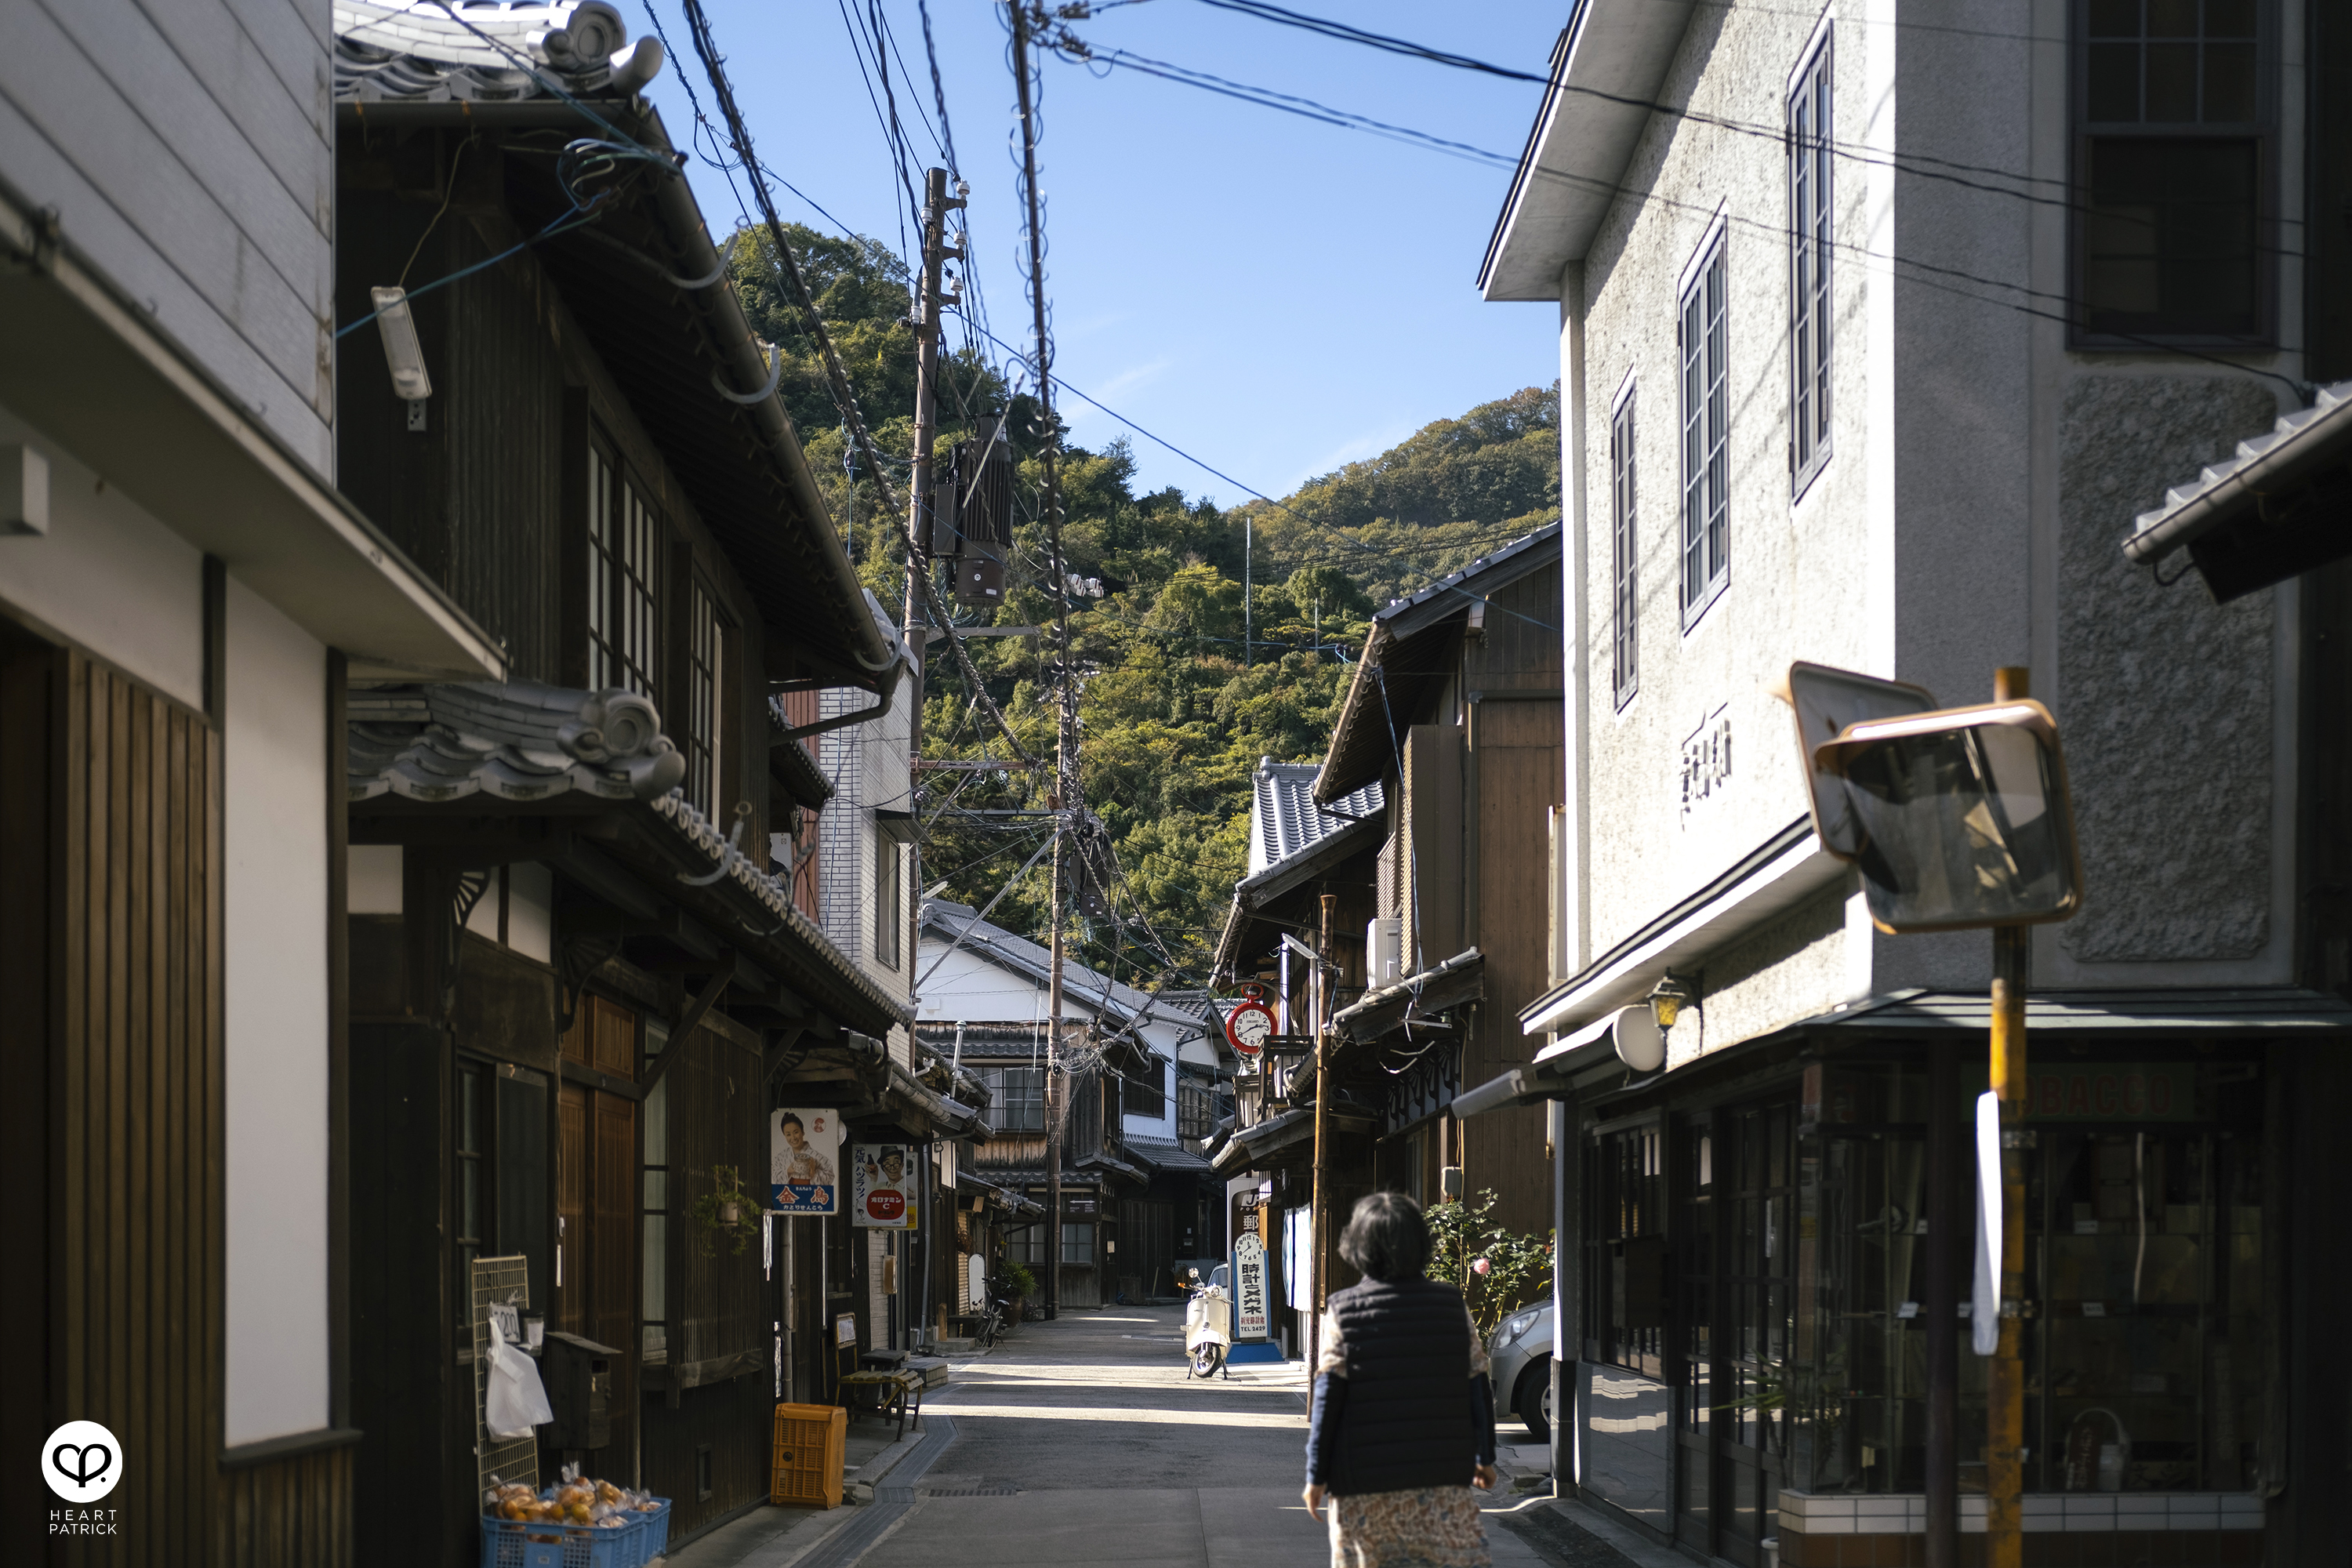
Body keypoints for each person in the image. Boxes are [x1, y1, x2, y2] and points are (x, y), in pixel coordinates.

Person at [1301, 1191, 1497, 1568]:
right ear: (1421, 1245)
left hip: (1364, 1493)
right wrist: (1485, 1456)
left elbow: (1327, 1401)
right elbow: (1477, 1385)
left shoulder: (1342, 1311)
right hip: (1442, 1485)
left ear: (1358, 1246)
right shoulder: (1451, 1305)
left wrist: (1316, 1476)